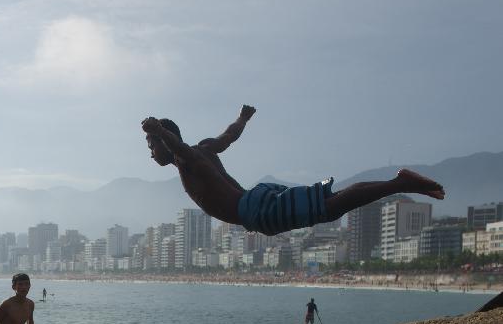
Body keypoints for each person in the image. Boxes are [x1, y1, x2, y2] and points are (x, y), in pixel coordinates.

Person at [141, 105, 444, 236]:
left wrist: (161, 132)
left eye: (151, 144)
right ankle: (398, 183)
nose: (150, 151)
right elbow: (229, 136)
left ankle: (399, 183)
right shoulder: (203, 149)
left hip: (255, 211)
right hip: (256, 203)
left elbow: (178, 148)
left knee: (331, 207)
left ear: (165, 142)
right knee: (329, 203)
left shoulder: (187, 159)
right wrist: (243, 118)